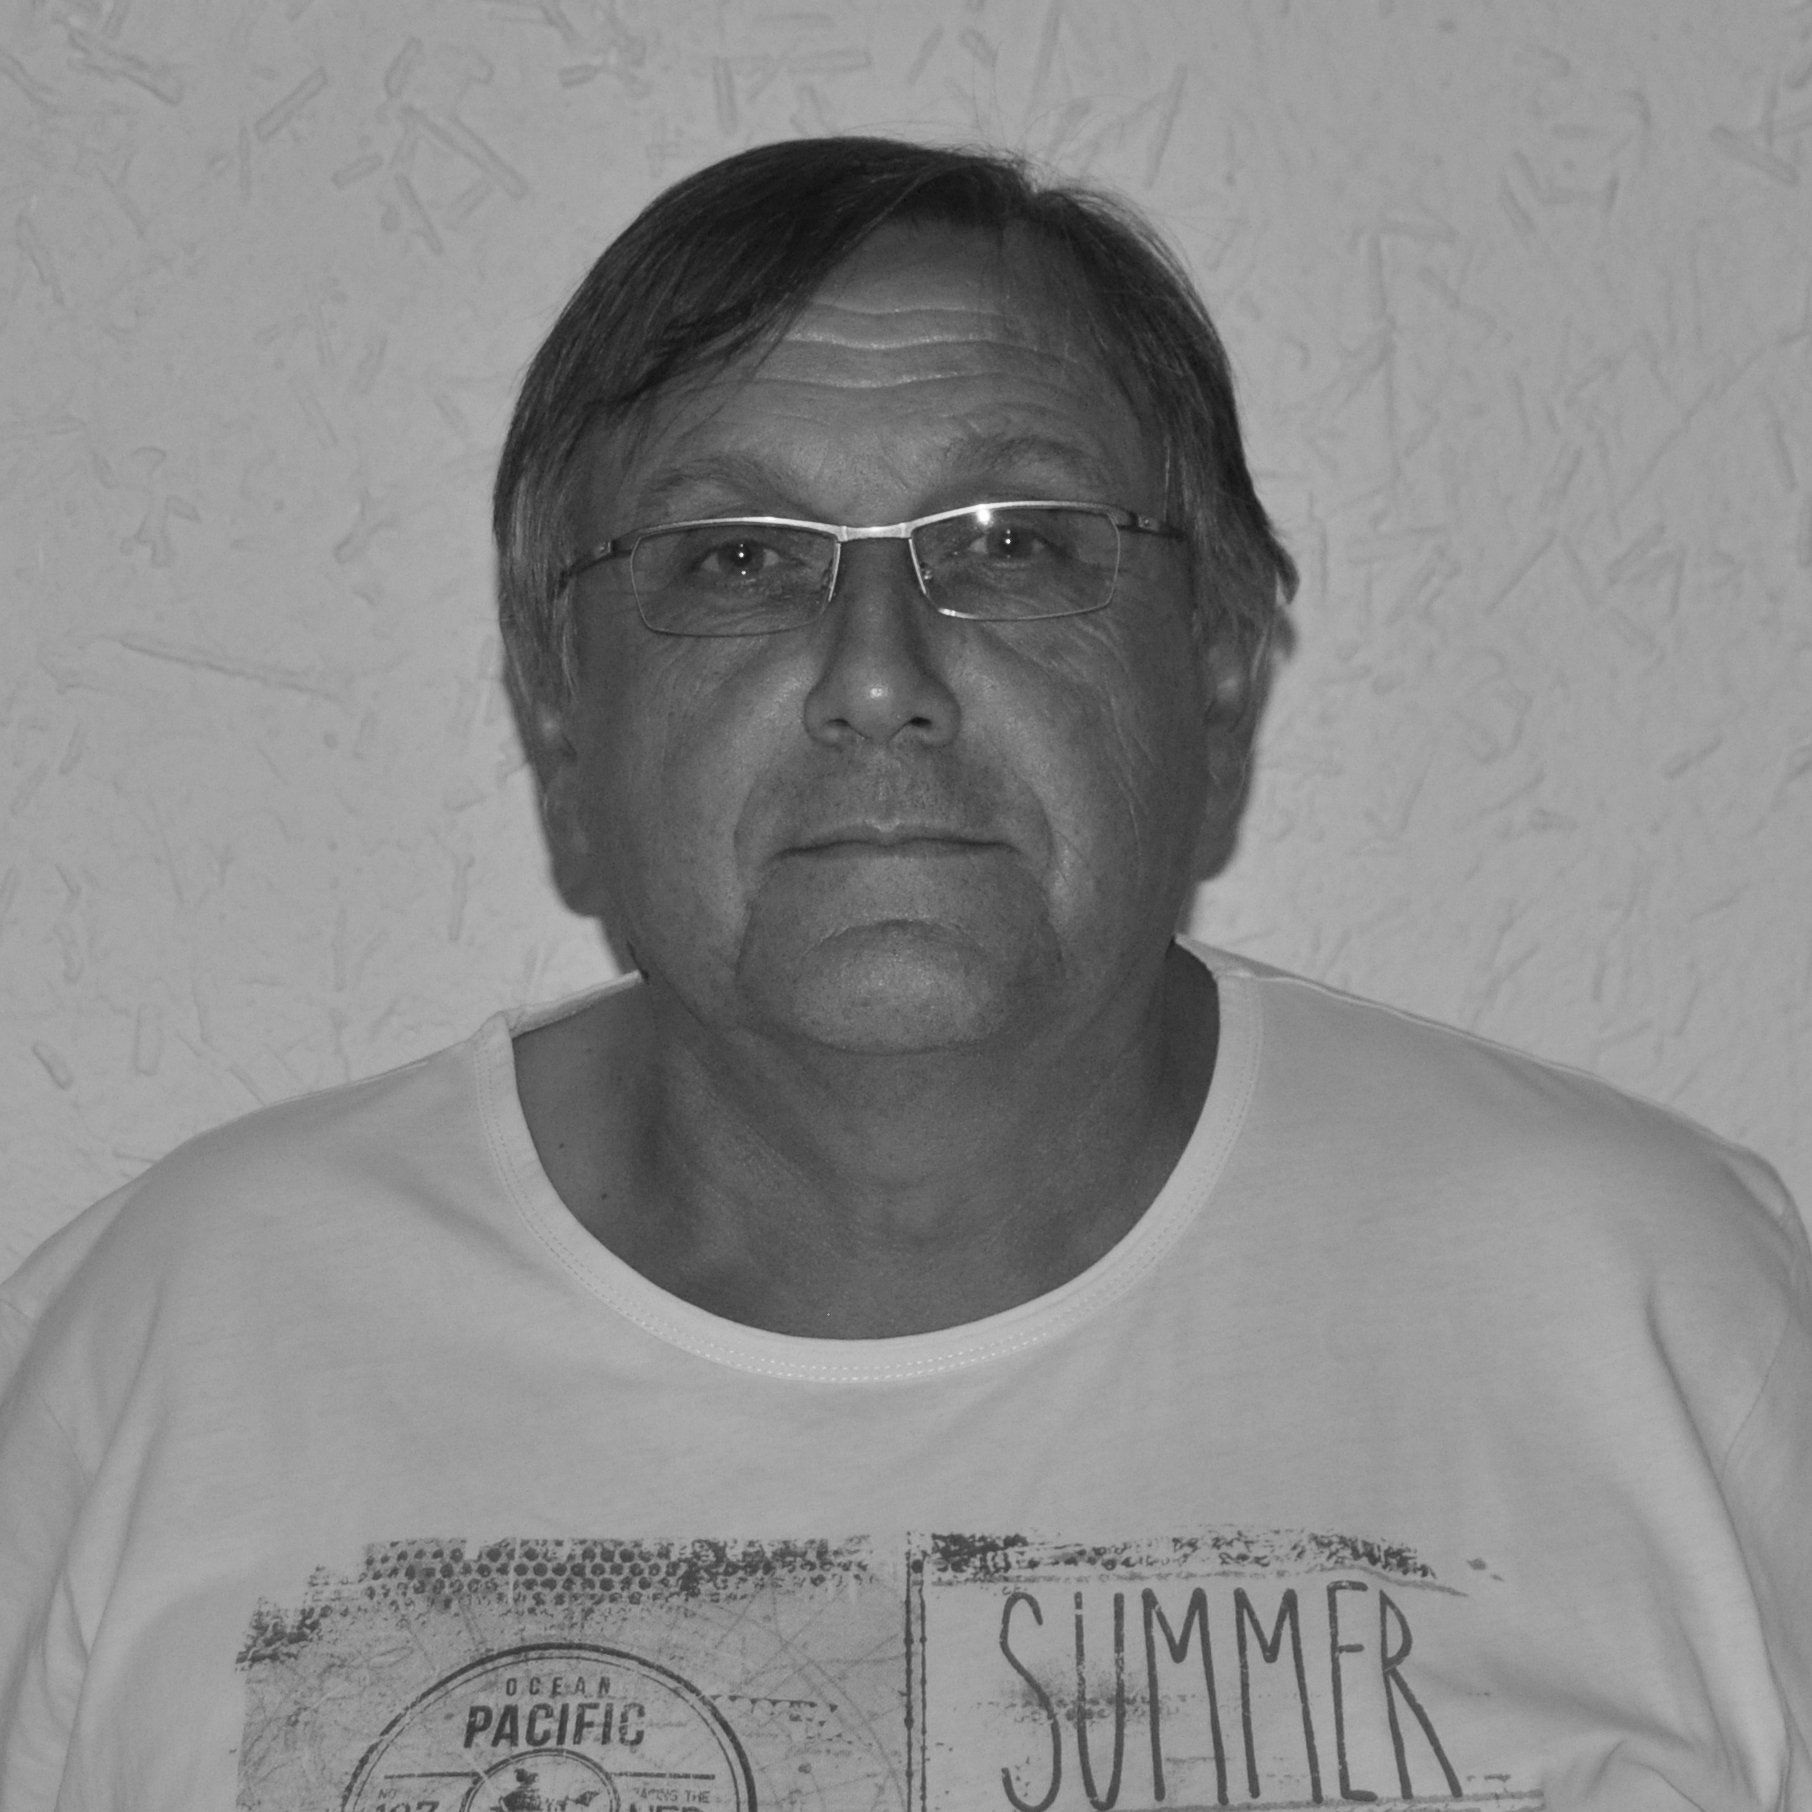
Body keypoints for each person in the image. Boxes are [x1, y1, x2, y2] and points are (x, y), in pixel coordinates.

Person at [1, 135, 1807, 1812]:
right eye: (736, 558)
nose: (876, 677)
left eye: (1014, 544)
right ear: (559, 698)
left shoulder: (1644, 1310)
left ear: (1221, 660)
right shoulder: (182, 1348)